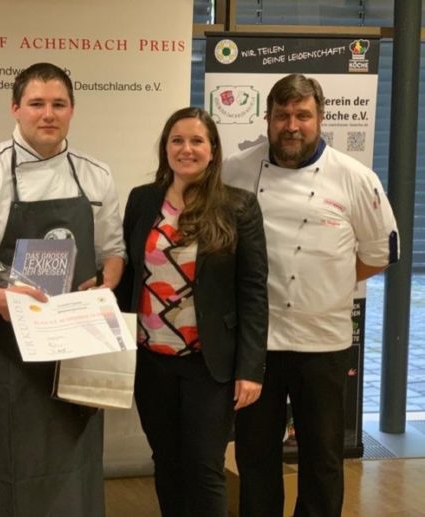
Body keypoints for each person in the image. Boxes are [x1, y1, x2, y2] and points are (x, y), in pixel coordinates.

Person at [0, 62, 125, 516]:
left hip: (75, 346)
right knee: (6, 459)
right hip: (6, 347)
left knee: (74, 464)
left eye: (58, 104)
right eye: (37, 104)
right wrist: (0, 301)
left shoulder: (96, 175)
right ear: (15, 108)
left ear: (72, 111)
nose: (48, 114)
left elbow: (113, 253)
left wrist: (103, 285)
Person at [222, 73, 399, 517]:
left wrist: (331, 287)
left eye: (303, 115)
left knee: (322, 459)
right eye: (282, 115)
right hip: (256, 345)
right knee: (255, 456)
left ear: (321, 118)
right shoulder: (235, 171)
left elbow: (380, 254)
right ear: (267, 118)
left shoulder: (355, 177)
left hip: (323, 342)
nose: (291, 125)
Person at [116, 107, 268, 517]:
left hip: (210, 364)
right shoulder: (142, 200)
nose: (187, 149)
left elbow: (253, 292)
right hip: (151, 362)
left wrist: (251, 368)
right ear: (165, 148)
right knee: (166, 462)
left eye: (197, 141)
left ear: (213, 151)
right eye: (177, 140)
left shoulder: (239, 207)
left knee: (204, 467)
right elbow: (128, 274)